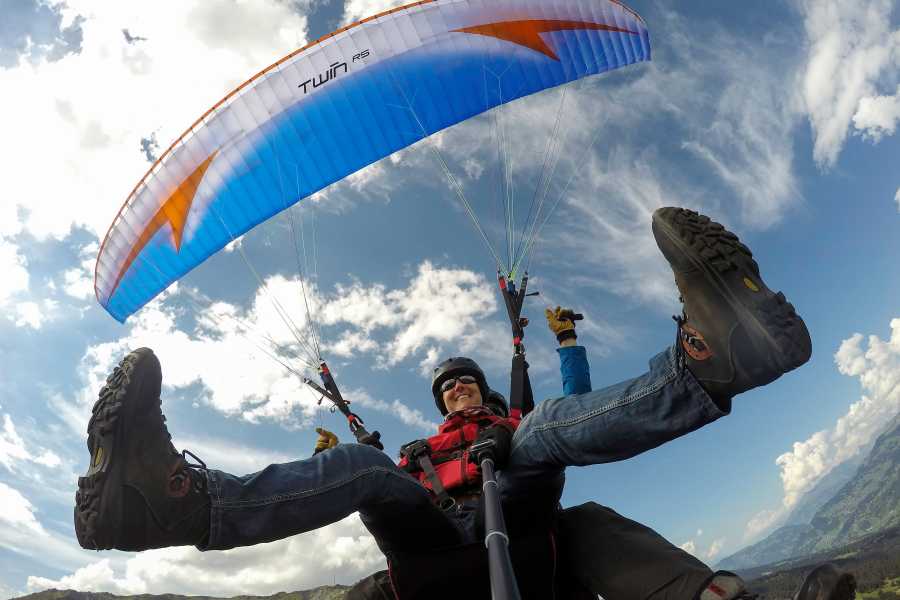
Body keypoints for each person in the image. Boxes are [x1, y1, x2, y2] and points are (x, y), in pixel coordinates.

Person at [74, 208, 854, 599]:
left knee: (558, 462)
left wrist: (567, 350)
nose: (459, 387)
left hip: (527, 526)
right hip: (434, 547)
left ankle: (719, 365)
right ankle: (171, 507)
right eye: (448, 386)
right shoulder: (417, 451)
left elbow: (576, 413)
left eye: (467, 381)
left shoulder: (517, 423)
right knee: (365, 468)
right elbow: (371, 479)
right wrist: (338, 467)